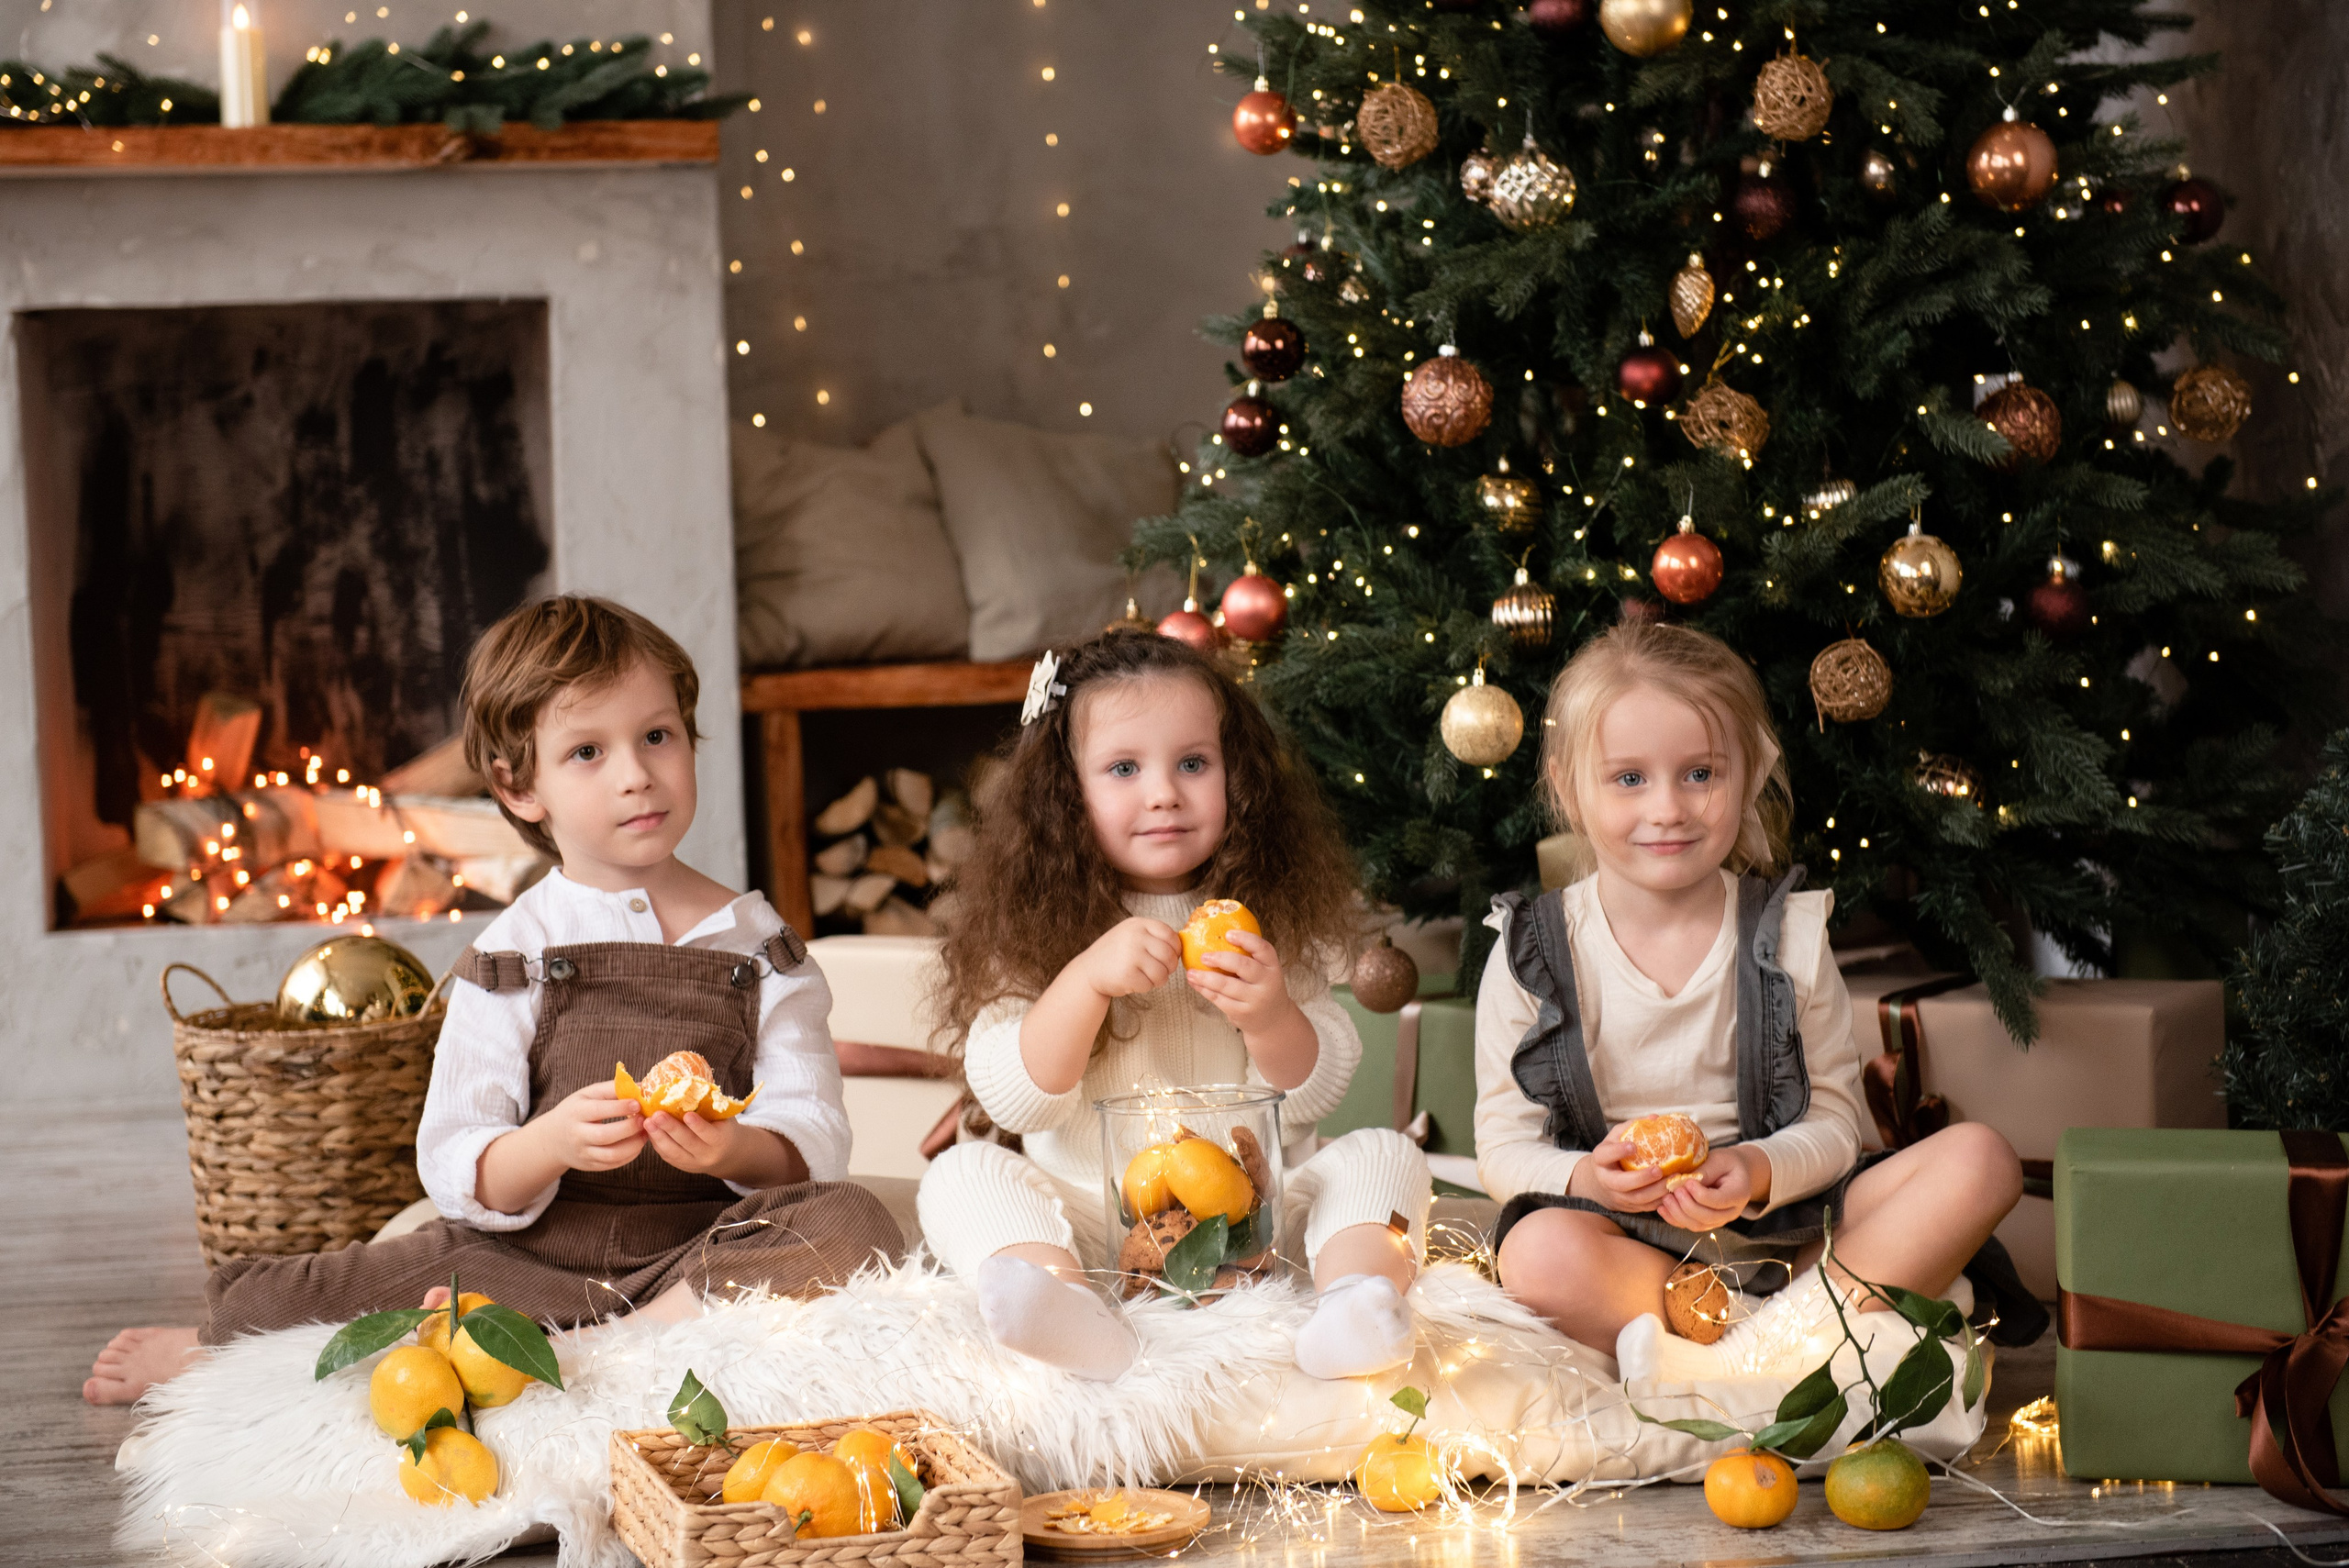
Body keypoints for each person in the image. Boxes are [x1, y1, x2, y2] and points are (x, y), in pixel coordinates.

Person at [87, 595, 901, 1405]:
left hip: (694, 1253)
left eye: (658, 735)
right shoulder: (516, 951)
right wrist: (548, 1143)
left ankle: (605, 1348)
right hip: (522, 1259)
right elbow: (456, 1156)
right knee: (284, 1297)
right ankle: (216, 1350)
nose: (636, 774)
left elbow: (814, 1135)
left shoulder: (758, 945)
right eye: (588, 751)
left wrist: (736, 1152)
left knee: (853, 1223)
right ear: (519, 789)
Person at [1474, 620, 2036, 1385]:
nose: (1668, 808)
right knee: (1534, 1254)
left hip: (1798, 1232)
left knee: (1983, 1159)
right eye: (1629, 778)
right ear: (1571, 786)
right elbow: (1503, 1149)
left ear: (1748, 772)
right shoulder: (1529, 950)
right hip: (1630, 1253)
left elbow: (1838, 1127)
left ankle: (1759, 1348)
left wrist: (1757, 1167)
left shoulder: (1790, 935)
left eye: (1700, 774)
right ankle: (1795, 1338)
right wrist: (1591, 1181)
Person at [918, 628, 1431, 1382]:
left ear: (1238, 776)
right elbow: (1013, 1095)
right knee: (962, 1174)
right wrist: (1084, 981)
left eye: (1193, 763)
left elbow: (1316, 1091)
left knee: (1384, 1155)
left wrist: (1268, 1013)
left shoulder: (1268, 913)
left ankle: (1350, 1305)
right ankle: (1067, 1308)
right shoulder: (1037, 924)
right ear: (1067, 790)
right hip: (1094, 1222)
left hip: (1252, 1224)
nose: (1164, 791)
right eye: (1124, 767)